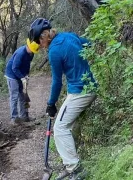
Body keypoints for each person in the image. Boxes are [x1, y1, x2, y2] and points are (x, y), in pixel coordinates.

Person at [28, 18, 97, 180]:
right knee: (65, 124)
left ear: (45, 35)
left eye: (39, 40)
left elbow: (57, 82)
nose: (39, 44)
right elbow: (90, 45)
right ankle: (70, 163)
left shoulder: (54, 51)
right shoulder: (69, 36)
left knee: (59, 129)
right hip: (90, 86)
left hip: (81, 92)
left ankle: (75, 169)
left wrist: (51, 104)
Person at [4, 35, 39, 124]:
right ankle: (14, 119)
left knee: (23, 96)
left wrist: (26, 75)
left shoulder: (31, 54)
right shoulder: (20, 53)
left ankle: (24, 117)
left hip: (20, 74)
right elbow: (14, 68)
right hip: (12, 75)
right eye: (32, 50)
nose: (32, 53)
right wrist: (22, 77)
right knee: (14, 96)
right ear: (28, 46)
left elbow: (27, 65)